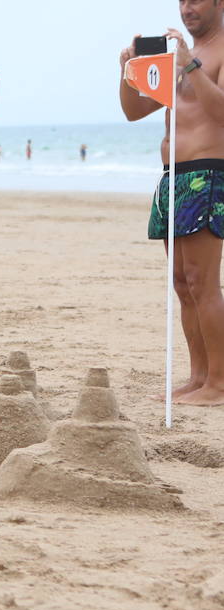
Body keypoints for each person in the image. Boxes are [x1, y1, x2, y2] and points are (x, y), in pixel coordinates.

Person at [125, 6, 224, 405]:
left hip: (207, 173)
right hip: (173, 177)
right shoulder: (177, 57)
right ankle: (198, 377)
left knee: (203, 282)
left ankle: (219, 383)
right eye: (182, 0)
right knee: (183, 285)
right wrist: (128, 71)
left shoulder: (213, 53)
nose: (186, 8)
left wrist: (192, 66)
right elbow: (134, 111)